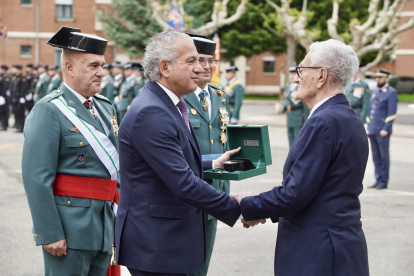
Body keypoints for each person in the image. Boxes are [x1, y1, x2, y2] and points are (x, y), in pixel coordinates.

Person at [232, 40, 370, 276]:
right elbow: (319, 190)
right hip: (341, 246)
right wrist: (264, 210)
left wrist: (246, 204)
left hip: (318, 253)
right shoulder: (347, 117)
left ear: (321, 76)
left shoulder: (323, 122)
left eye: (301, 70)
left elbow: (295, 194)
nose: (296, 78)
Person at [115, 31, 245, 276]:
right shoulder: (152, 112)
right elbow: (184, 183)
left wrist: (211, 163)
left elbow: (178, 164)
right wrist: (239, 206)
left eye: (201, 60)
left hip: (168, 243)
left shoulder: (168, 105)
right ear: (165, 67)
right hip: (158, 247)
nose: (200, 68)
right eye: (191, 61)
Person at [22, 27, 119, 276]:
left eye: (103, 65)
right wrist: (49, 232)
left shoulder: (106, 108)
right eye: (94, 65)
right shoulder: (49, 110)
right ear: (70, 67)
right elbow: (36, 178)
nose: (101, 73)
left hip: (104, 223)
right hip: (69, 228)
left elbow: (114, 168)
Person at [182, 34, 230, 276]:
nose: (209, 66)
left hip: (213, 190)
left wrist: (225, 192)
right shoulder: (178, 97)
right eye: (201, 60)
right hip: (186, 191)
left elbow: (223, 142)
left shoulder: (219, 96)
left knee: (203, 263)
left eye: (212, 60)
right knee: (183, 261)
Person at [366, 68, 398, 189]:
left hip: (382, 131)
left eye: (380, 77)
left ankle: (384, 181)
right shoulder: (375, 91)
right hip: (373, 130)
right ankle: (378, 179)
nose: (378, 79)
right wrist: (369, 127)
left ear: (386, 79)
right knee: (375, 157)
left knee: (384, 157)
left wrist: (386, 128)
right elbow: (370, 112)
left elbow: (392, 113)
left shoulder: (391, 92)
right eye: (377, 78)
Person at [280, 66, 310, 147]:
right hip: (290, 118)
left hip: (298, 119)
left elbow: (306, 105)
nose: (291, 76)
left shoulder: (301, 87)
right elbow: (286, 100)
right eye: (290, 74)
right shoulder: (289, 87)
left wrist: (307, 121)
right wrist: (282, 107)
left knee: (298, 143)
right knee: (291, 140)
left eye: (293, 74)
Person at [9, 65, 28, 133]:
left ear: (19, 70)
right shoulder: (14, 77)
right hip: (14, 98)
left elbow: (23, 88)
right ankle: (17, 126)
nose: (12, 70)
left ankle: (21, 127)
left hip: (20, 98)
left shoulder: (22, 78)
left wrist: (22, 97)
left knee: (20, 113)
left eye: (14, 69)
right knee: (16, 112)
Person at [0, 65, 12, 130]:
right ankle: (3, 124)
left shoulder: (7, 77)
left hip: (4, 97)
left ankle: (4, 125)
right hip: (2, 97)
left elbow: (5, 87)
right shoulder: (2, 77)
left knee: (4, 111)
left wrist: (2, 96)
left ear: (4, 70)